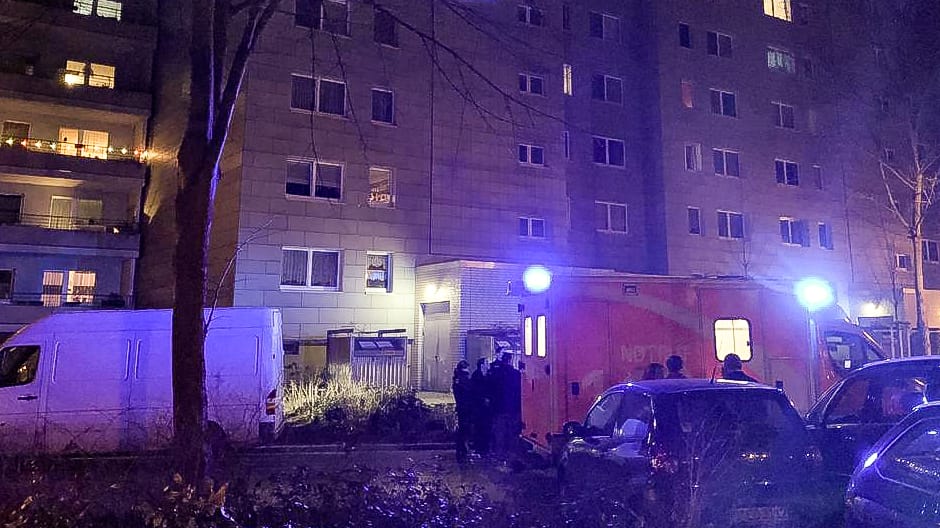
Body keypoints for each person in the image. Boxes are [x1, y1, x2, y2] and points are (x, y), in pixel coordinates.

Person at [470, 357, 492, 455]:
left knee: (487, 428)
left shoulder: (489, 375)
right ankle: (479, 448)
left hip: (487, 408)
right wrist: (482, 399)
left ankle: (485, 448)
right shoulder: (476, 376)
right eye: (487, 362)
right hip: (478, 408)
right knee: (479, 428)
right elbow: (474, 391)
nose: (489, 364)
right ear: (482, 365)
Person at [452, 360, 473, 463]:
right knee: (465, 430)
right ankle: (463, 450)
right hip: (466, 408)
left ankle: (461, 449)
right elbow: (469, 392)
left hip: (461, 408)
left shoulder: (457, 379)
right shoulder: (464, 379)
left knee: (462, 429)